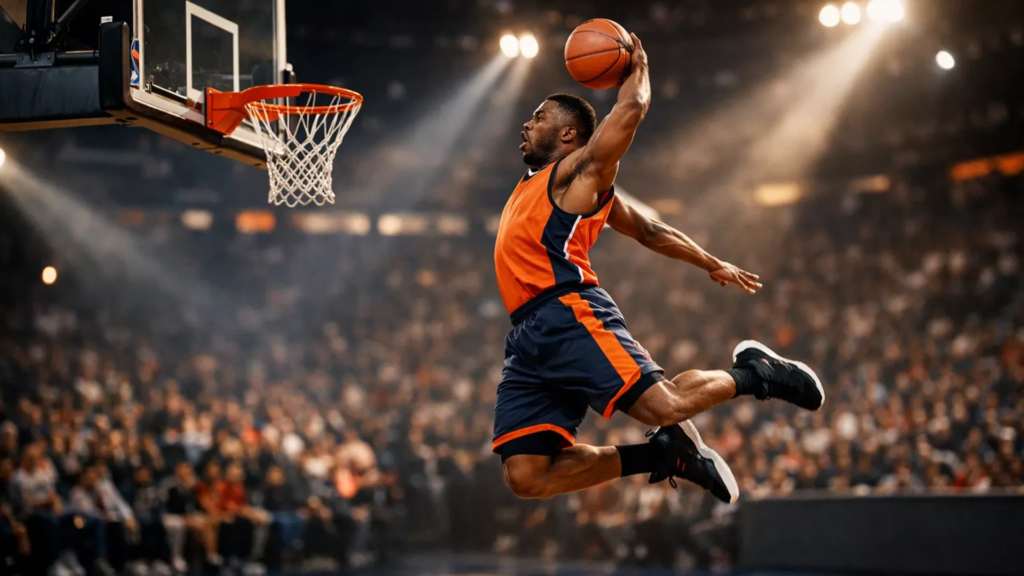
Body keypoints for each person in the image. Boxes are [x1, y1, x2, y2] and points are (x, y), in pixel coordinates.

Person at [492, 33, 825, 502]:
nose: (526, 124)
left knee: (662, 404)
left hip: (566, 312)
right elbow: (649, 230)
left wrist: (637, 65)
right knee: (526, 475)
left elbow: (629, 111)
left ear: (568, 134)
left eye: (538, 116)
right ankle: (664, 455)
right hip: (527, 336)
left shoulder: (581, 172)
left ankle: (758, 373)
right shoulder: (539, 184)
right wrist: (711, 261)